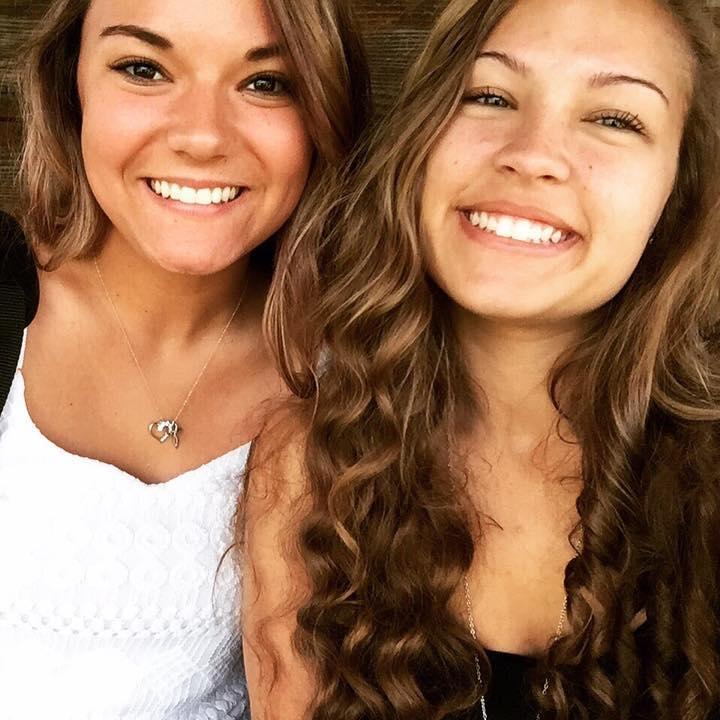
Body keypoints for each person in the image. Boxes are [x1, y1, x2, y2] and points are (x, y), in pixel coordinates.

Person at [242, 0, 720, 718]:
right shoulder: (312, 466)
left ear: (677, 196)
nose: (531, 153)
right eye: (490, 97)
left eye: (614, 118)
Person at [0, 0, 369, 718]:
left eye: (266, 83)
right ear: (70, 87)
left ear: (325, 112)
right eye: (143, 69)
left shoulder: (355, 376)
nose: (202, 136)